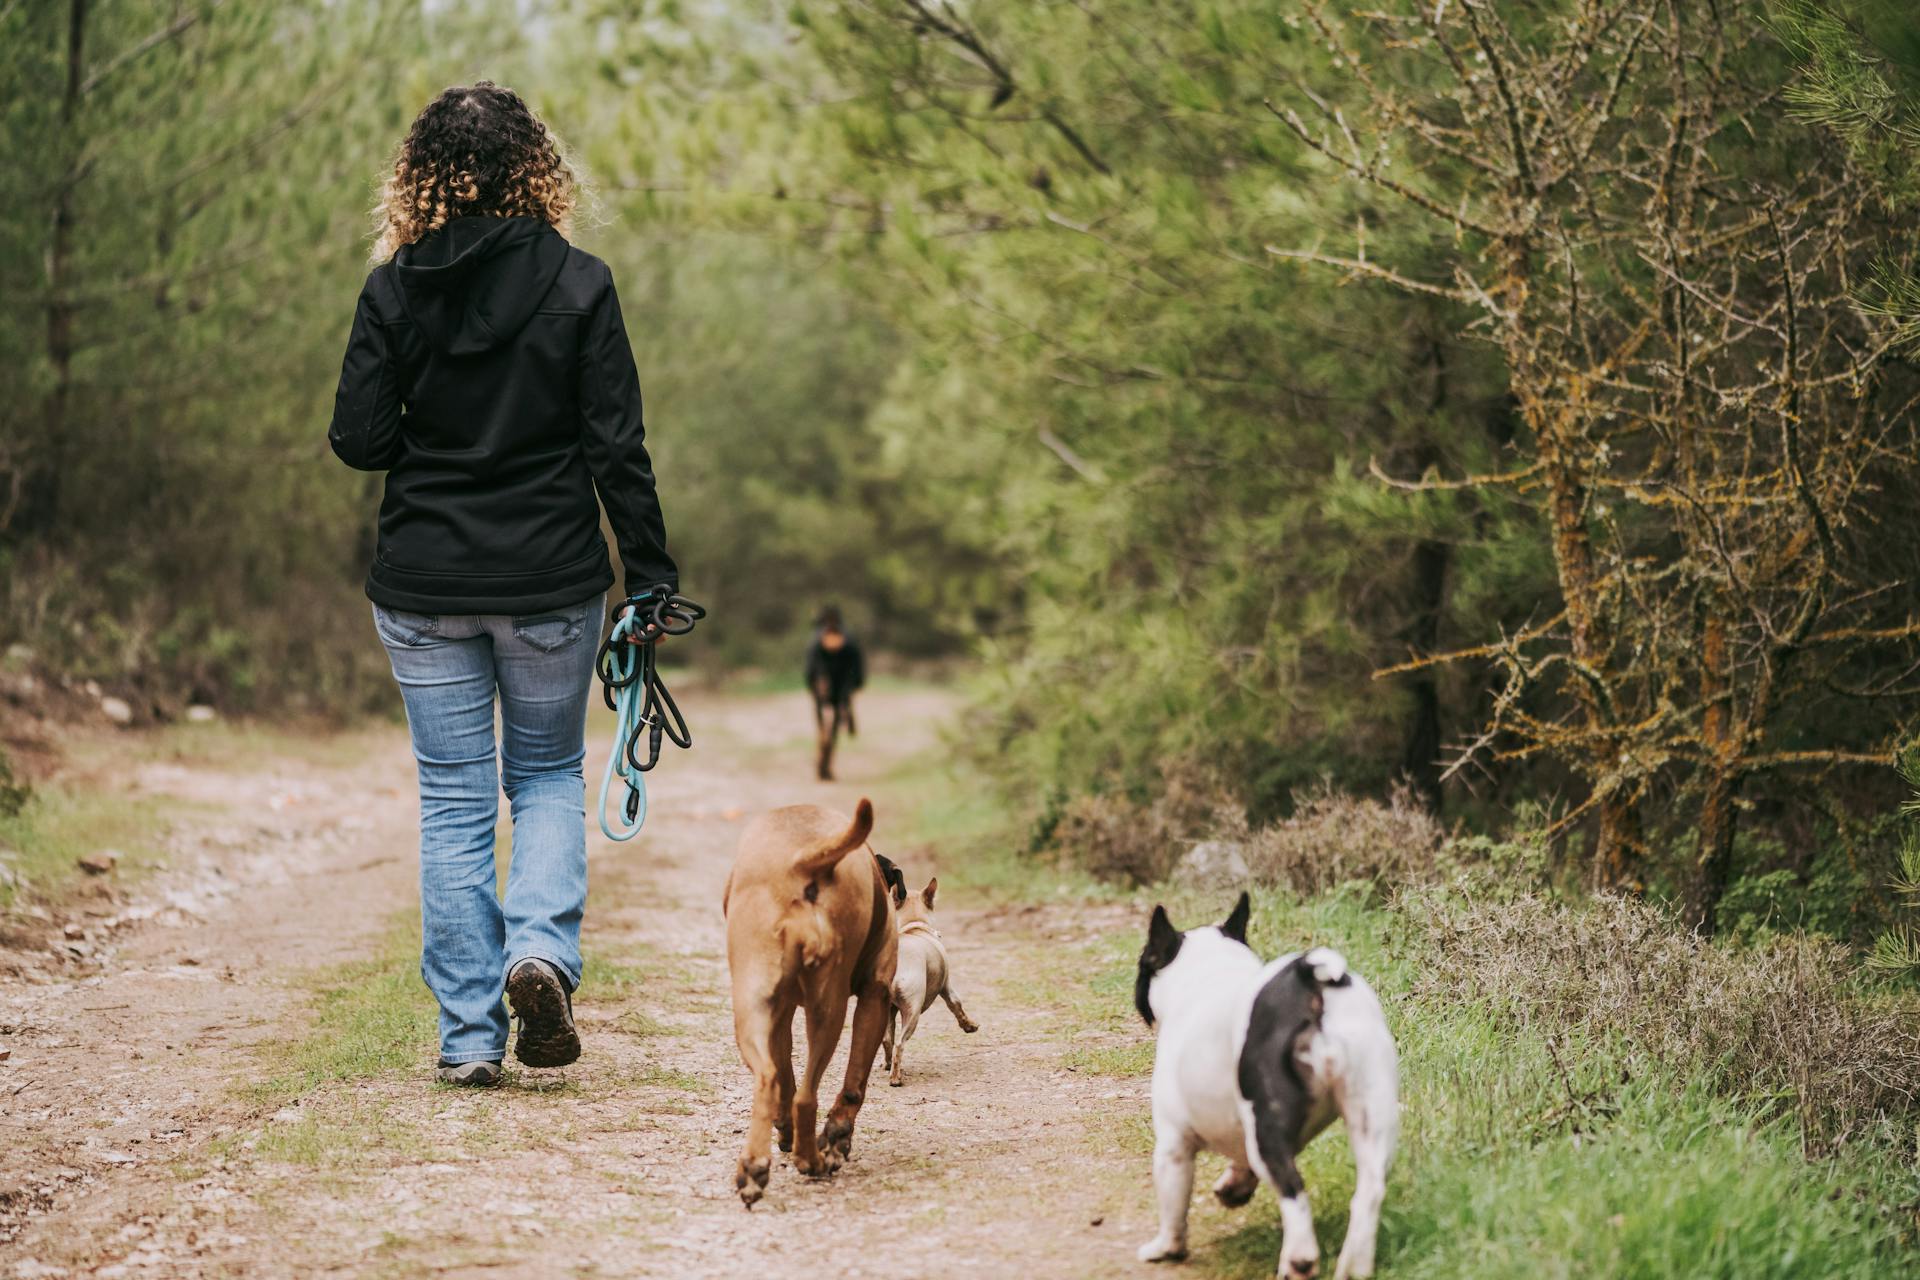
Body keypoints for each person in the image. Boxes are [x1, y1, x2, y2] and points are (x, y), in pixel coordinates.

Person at [328, 82, 675, 1087]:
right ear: (537, 169)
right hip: (551, 581)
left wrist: (426, 435)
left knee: (452, 801)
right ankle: (540, 951)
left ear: (419, 178)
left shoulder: (393, 289)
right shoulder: (580, 282)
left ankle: (471, 1036)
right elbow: (619, 447)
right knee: (546, 773)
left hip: (424, 580)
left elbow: (358, 439)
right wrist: (650, 577)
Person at [805, 606, 865, 781]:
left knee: (824, 728)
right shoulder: (849, 639)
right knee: (833, 728)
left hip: (823, 689)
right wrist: (854, 687)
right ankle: (825, 763)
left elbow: (809, 671)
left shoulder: (816, 641)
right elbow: (857, 669)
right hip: (841, 689)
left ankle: (822, 759)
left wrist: (812, 686)